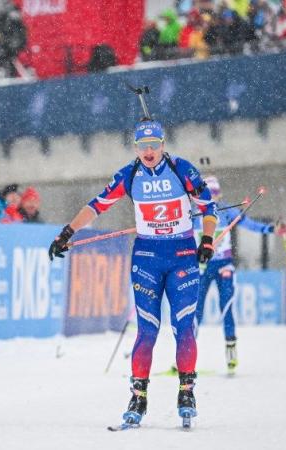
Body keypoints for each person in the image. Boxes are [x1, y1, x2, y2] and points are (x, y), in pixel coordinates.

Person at [48, 119, 217, 427]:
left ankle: (186, 391)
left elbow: (209, 207)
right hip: (147, 257)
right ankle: (138, 397)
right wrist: (67, 232)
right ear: (135, 148)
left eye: (154, 145)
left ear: (164, 145)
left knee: (184, 327)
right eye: (142, 146)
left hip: (182, 256)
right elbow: (97, 205)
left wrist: (206, 239)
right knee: (147, 331)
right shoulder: (130, 174)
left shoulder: (182, 169)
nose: (148, 151)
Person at [193, 175, 286, 374]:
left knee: (226, 308)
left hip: (223, 266)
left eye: (215, 193)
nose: (213, 198)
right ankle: (185, 358)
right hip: (201, 267)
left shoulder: (227, 212)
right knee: (195, 312)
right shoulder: (193, 213)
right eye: (208, 194)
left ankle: (231, 354)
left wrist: (272, 229)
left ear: (220, 194)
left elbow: (250, 225)